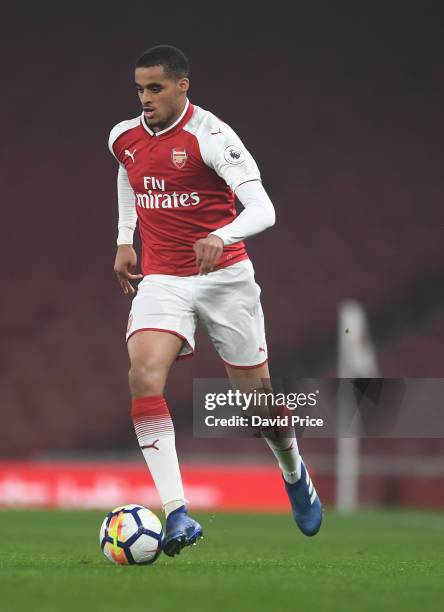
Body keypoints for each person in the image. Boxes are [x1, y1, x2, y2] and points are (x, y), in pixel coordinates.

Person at [108, 45, 322, 557]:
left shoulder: (212, 137)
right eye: (139, 88)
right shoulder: (124, 137)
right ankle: (176, 511)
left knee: (256, 407)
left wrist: (222, 235)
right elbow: (128, 173)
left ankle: (293, 468)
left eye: (155, 88)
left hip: (224, 278)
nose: (145, 99)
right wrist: (123, 237)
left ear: (183, 86)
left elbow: (264, 209)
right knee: (143, 374)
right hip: (163, 279)